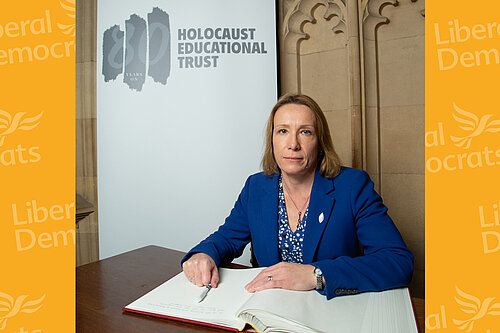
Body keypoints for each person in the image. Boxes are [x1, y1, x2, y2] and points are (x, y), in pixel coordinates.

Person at [181, 93, 413, 300]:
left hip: (331, 310)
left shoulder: (352, 186)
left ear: (320, 143)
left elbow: (398, 262)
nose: (293, 144)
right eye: (283, 131)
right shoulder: (256, 187)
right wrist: (204, 253)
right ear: (272, 140)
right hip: (269, 307)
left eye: (305, 132)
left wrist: (317, 275)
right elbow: (226, 239)